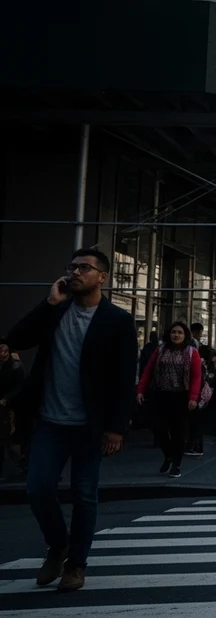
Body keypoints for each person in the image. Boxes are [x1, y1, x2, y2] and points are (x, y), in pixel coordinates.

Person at [5, 248, 137, 591]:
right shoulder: (56, 311)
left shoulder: (118, 321)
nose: (76, 272)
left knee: (84, 494)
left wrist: (115, 427)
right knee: (37, 488)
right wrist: (49, 304)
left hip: (90, 425)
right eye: (72, 267)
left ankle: (76, 565)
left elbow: (125, 378)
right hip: (50, 420)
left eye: (85, 268)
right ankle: (58, 545)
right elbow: (15, 340)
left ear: (103, 277)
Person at [135, 321, 202, 477]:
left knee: (178, 431)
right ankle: (168, 455)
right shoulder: (161, 350)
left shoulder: (192, 352)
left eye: (179, 332)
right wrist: (140, 390)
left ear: (185, 335)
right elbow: (148, 371)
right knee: (159, 429)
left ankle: (176, 464)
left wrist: (193, 397)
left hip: (181, 396)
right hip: (160, 394)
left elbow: (196, 377)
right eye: (173, 332)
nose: (176, 335)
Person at [0, 338, 26, 482]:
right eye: (1, 351)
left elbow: (18, 387)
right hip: (4, 407)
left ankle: (25, 465)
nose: (3, 354)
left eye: (5, 351)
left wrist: (6, 399)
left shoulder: (15, 366)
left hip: (12, 408)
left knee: (11, 443)